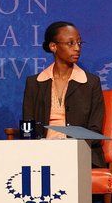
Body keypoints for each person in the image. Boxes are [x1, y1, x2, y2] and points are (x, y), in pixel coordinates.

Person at [22, 21, 106, 168]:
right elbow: (28, 127)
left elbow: (95, 129)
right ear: (53, 46)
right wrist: (34, 150)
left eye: (79, 43)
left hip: (80, 154)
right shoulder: (34, 83)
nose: (77, 48)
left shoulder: (91, 82)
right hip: (42, 153)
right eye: (71, 43)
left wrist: (70, 148)